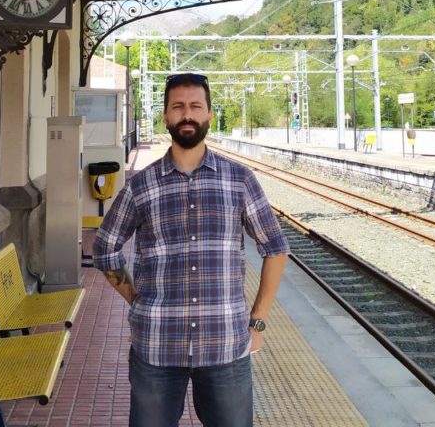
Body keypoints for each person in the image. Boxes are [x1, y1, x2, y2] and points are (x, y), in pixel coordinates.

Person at [93, 72, 290, 427]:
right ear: (166, 116)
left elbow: (275, 249)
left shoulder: (239, 180)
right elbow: (105, 247)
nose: (187, 114)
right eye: (178, 107)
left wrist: (258, 320)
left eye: (195, 106)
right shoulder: (141, 185)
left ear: (209, 114)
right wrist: (136, 299)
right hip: (156, 346)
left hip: (225, 345)